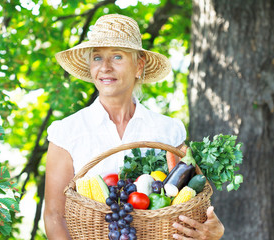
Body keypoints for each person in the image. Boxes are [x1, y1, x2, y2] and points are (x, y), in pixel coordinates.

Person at [44, 14, 224, 240]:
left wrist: (212, 233)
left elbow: (188, 207)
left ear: (139, 66)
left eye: (117, 57)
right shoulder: (66, 132)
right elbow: (54, 216)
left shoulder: (168, 132)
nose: (105, 67)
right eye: (97, 58)